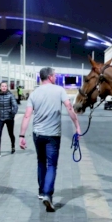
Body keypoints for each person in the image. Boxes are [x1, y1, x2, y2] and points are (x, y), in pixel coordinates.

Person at [19, 67, 81, 212]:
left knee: (41, 161)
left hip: (38, 134)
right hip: (53, 135)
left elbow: (27, 116)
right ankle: (47, 194)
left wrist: (22, 136)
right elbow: (69, 108)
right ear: (50, 77)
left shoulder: (34, 93)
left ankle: (41, 192)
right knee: (52, 165)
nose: (56, 77)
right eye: (55, 75)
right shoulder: (59, 90)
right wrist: (77, 126)